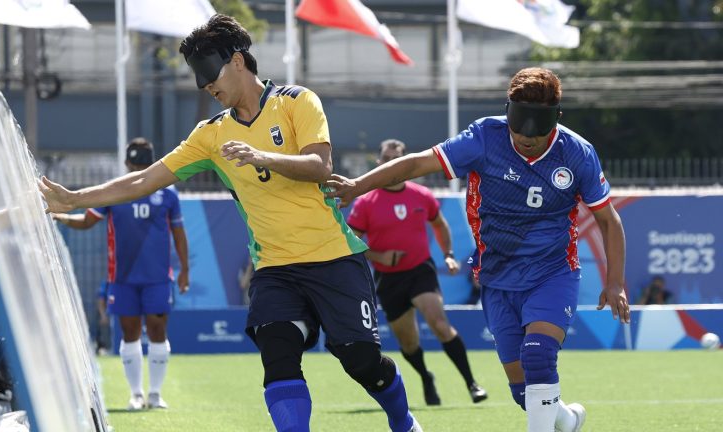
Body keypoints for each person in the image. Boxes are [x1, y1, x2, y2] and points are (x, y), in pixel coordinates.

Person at [40, 15, 421, 432]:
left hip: (335, 259)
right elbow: (145, 179)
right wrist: (76, 197)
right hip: (275, 268)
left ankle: (402, 421)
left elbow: (319, 164)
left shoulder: (297, 101)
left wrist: (264, 157)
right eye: (201, 82)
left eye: (211, 76)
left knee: (361, 362)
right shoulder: (210, 135)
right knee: (277, 356)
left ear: (238, 61)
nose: (207, 87)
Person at [327, 68, 630, 432]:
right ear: (508, 112)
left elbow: (609, 221)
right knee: (524, 393)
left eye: (539, 129)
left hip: (552, 273)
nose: (527, 138)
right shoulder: (485, 137)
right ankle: (567, 419)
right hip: (497, 277)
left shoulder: (578, 153)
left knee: (538, 355)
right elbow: (416, 163)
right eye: (520, 127)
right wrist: (359, 185)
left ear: (556, 118)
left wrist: (615, 283)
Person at [52, 137, 189, 411]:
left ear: (151, 162)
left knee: (158, 330)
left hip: (157, 277)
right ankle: (136, 394)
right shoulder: (113, 193)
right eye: (135, 163)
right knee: (130, 333)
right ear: (127, 163)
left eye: (143, 163)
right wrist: (60, 216)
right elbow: (87, 222)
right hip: (123, 277)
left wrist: (185, 269)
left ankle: (155, 394)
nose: (138, 167)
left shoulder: (168, 194)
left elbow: (178, 232)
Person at [347, 138, 487, 406]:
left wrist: (448, 255)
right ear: (378, 163)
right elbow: (352, 241)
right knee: (409, 343)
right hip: (388, 278)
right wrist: (380, 256)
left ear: (403, 160)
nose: (391, 164)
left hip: (420, 271)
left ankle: (472, 383)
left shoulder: (421, 195)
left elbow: (440, 225)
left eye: (396, 158)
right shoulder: (366, 202)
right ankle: (425, 377)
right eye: (386, 159)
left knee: (439, 325)